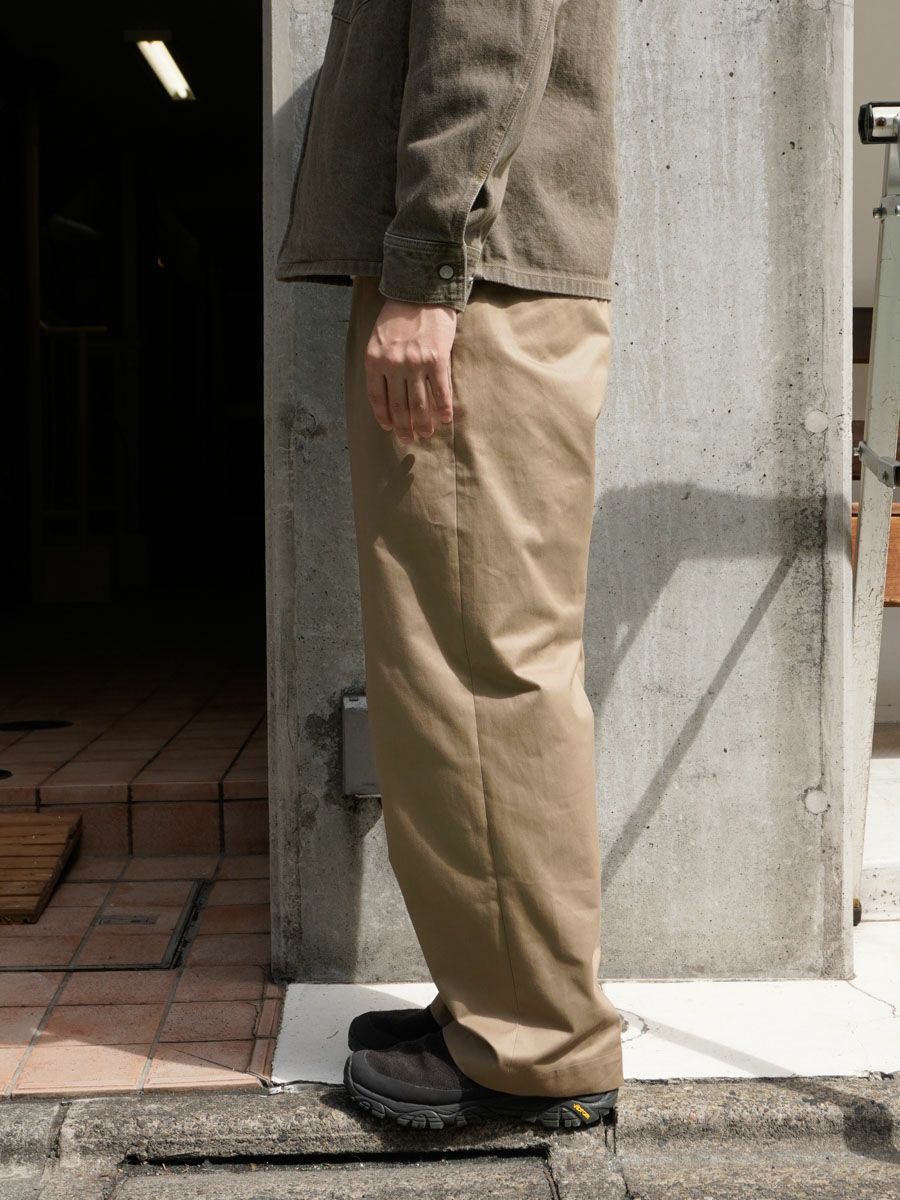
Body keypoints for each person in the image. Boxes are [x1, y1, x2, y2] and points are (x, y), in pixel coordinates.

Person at [276, 0, 625, 1131]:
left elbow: (487, 34)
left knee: (477, 673)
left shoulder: (450, 276)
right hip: (477, 274)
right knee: (453, 672)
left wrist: (428, 271)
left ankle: (536, 1048)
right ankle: (495, 996)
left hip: (474, 286)